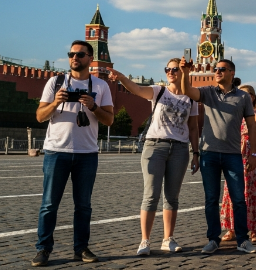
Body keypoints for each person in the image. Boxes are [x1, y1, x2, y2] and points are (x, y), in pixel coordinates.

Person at [32, 40, 115, 267]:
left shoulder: (100, 86)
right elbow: (39, 116)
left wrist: (93, 106)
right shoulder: (55, 82)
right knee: (49, 204)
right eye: (71, 54)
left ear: (90, 58)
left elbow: (109, 120)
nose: (74, 58)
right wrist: (55, 102)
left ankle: (81, 248)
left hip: (87, 153)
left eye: (79, 54)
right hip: (56, 151)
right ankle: (43, 249)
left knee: (83, 206)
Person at [109, 61, 200, 256]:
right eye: (167, 69)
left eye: (175, 69)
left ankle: (168, 239)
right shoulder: (159, 91)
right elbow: (136, 89)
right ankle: (145, 240)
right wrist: (122, 77)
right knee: (151, 195)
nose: (170, 72)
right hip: (155, 146)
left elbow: (193, 128)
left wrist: (196, 153)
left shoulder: (191, 98)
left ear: (183, 72)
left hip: (180, 149)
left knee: (172, 197)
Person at [180, 57, 256, 254]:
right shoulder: (208, 92)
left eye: (222, 69)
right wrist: (185, 72)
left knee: (238, 199)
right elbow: (187, 90)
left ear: (232, 73)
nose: (217, 71)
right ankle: (213, 239)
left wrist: (254, 152)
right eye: (216, 68)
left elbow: (251, 126)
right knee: (211, 199)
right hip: (209, 154)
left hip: (233, 155)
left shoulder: (243, 97)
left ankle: (243, 240)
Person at [219, 86, 256, 243]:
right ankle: (232, 228)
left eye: (247, 94)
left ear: (253, 97)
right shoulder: (233, 113)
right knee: (232, 191)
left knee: (252, 192)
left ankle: (253, 229)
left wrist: (254, 125)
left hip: (253, 155)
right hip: (235, 154)